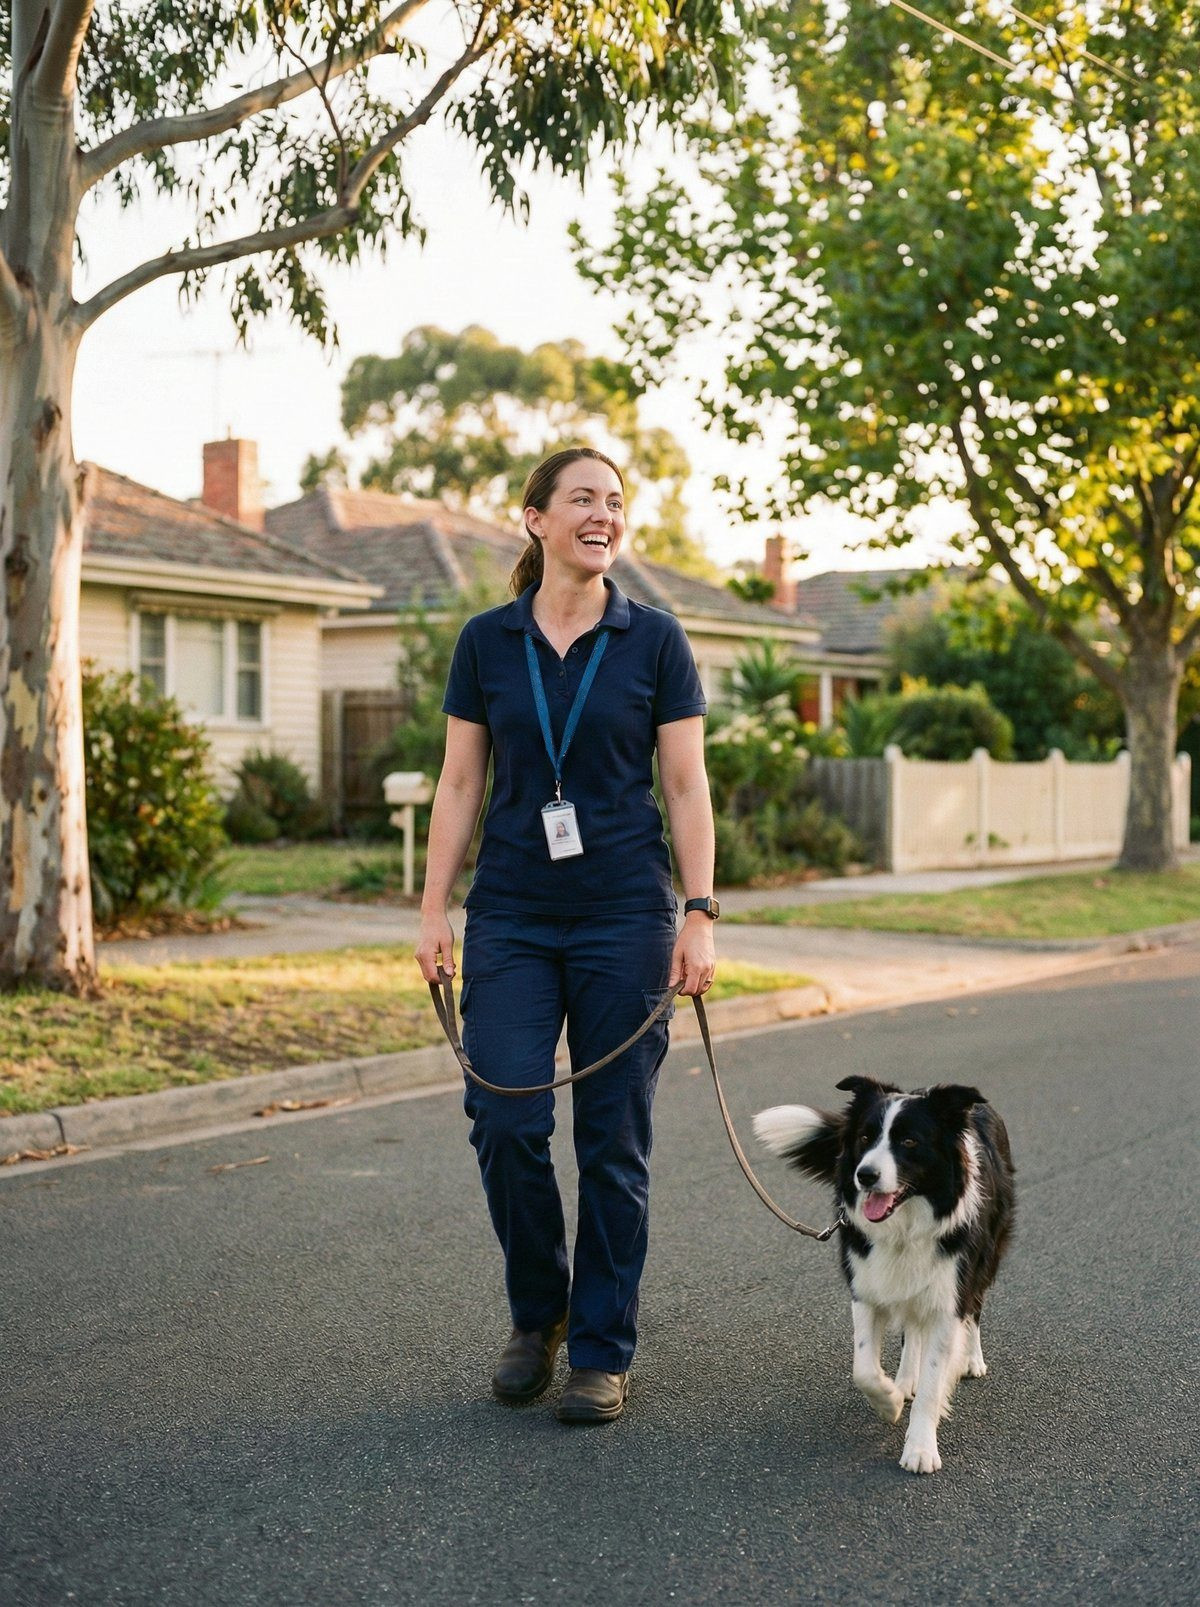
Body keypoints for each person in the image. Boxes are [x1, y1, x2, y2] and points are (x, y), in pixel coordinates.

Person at [415, 446, 717, 1424]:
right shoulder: (486, 641)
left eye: (616, 501)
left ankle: (599, 1346)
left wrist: (699, 911)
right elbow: (460, 780)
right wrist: (432, 908)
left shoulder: (655, 638)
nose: (604, 513)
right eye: (583, 498)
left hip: (626, 914)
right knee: (504, 1114)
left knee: (612, 1140)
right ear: (535, 518)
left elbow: (684, 784)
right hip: (509, 913)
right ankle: (536, 1311)